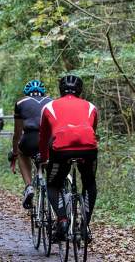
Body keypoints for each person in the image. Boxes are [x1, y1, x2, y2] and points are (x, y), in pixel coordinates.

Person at [39, 75, 98, 242]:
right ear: (80, 90)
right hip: (88, 150)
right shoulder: (90, 106)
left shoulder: (49, 106)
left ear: (60, 89)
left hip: (61, 151)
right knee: (89, 183)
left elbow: (43, 137)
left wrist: (44, 158)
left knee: (52, 185)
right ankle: (85, 226)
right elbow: (92, 131)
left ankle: (63, 220)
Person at [11, 80, 52, 209]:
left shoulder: (20, 103)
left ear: (27, 93)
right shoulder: (52, 102)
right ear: (43, 92)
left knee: (22, 154)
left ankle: (29, 186)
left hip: (30, 138)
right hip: (50, 140)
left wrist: (14, 152)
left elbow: (17, 132)